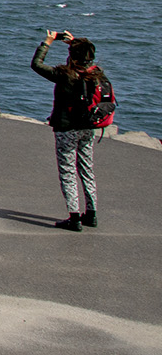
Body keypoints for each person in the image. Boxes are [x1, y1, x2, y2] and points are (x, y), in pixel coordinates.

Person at [31, 29, 114, 231]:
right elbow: (85, 54)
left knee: (67, 171)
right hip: (88, 128)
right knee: (87, 169)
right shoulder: (97, 74)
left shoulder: (64, 74)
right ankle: (91, 214)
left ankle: (74, 217)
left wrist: (48, 42)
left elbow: (36, 65)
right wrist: (74, 41)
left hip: (66, 129)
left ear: (72, 56)